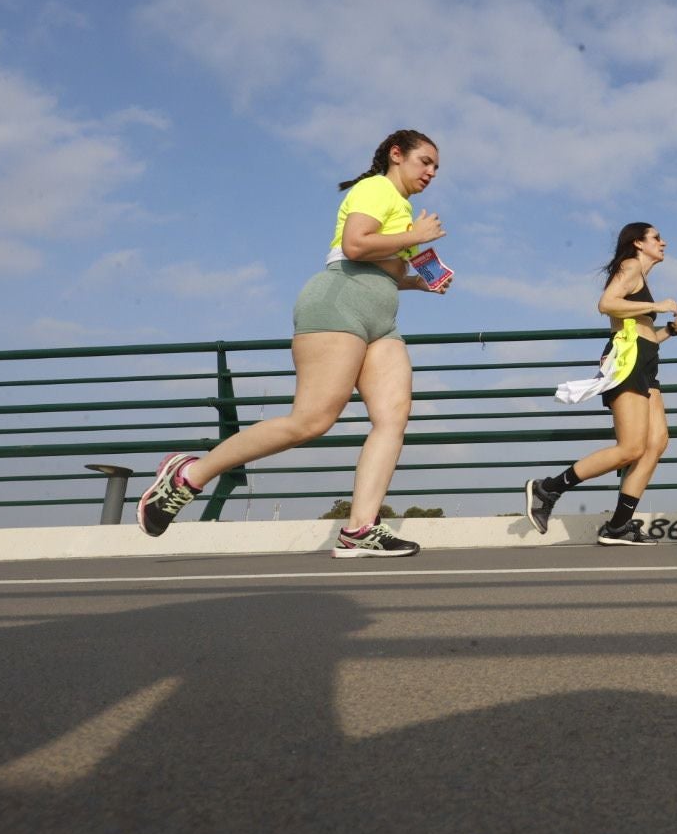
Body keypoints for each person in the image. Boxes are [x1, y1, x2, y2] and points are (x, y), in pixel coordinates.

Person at [136, 129, 449, 557]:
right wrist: (416, 236)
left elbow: (387, 271)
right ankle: (190, 474)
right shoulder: (375, 188)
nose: (431, 172)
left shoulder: (404, 207)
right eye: (425, 161)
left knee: (393, 418)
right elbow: (356, 245)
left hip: (381, 317)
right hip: (338, 303)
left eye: (436, 167)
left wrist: (418, 282)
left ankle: (360, 528)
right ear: (397, 155)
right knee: (312, 420)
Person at [525, 223, 677, 546]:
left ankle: (618, 526)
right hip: (628, 363)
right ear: (638, 243)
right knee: (631, 448)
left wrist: (671, 329)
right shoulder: (630, 266)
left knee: (656, 444)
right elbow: (607, 303)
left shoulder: (641, 278)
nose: (664, 242)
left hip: (646, 361)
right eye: (656, 237)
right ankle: (548, 488)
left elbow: (644, 335)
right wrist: (656, 307)